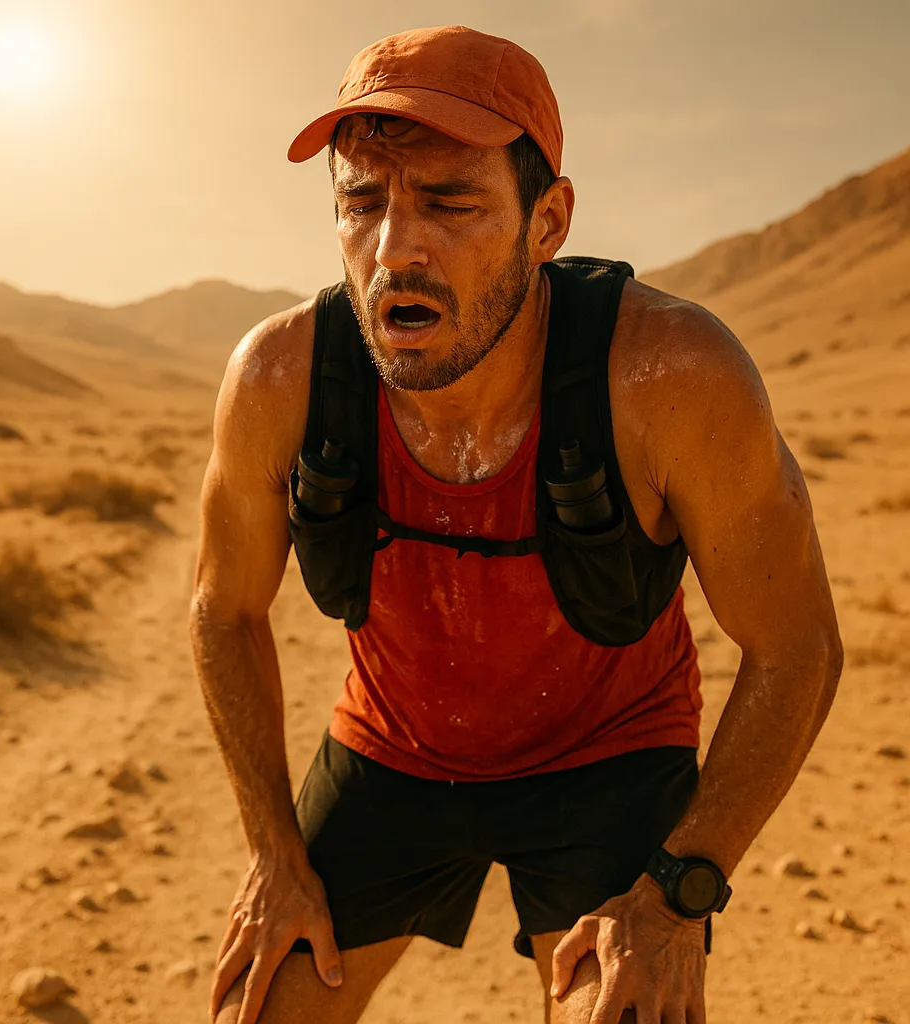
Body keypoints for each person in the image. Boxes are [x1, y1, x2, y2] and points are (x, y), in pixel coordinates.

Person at [190, 24, 843, 1024]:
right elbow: (221, 610)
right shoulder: (281, 377)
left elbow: (795, 647)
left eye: (449, 201)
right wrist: (276, 858)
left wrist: (679, 891)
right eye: (361, 202)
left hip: (608, 753)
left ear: (547, 222)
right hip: (394, 751)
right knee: (258, 1010)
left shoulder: (668, 375)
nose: (395, 247)